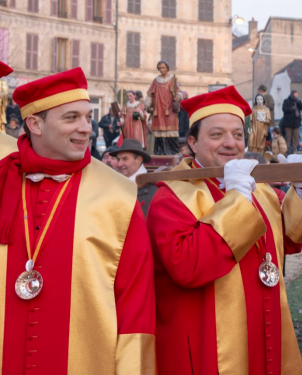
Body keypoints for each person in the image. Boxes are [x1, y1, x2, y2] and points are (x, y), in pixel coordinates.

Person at [146, 85, 302, 374]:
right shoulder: (171, 197)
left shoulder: (260, 189)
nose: (230, 143)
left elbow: (288, 238)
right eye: (217, 135)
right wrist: (238, 199)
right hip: (208, 345)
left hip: (263, 326)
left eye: (238, 135)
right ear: (192, 142)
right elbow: (187, 266)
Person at [0, 67, 155, 372]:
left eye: (87, 117)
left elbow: (136, 307)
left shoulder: (118, 194)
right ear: (35, 124)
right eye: (71, 118)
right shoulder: (3, 179)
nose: (87, 129)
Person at [113, 138, 156, 217]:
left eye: (125, 159)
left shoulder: (153, 188)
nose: (119, 164)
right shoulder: (114, 183)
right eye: (118, 159)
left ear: (138, 160)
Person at [146, 61, 181, 155]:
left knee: (171, 128)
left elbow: (179, 91)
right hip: (158, 109)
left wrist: (178, 97)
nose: (161, 70)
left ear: (167, 68)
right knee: (159, 131)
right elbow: (150, 94)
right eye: (159, 68)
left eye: (163, 68)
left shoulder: (172, 79)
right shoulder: (156, 80)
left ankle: (172, 151)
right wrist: (146, 104)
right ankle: (160, 152)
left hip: (169, 109)